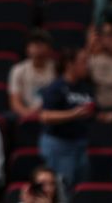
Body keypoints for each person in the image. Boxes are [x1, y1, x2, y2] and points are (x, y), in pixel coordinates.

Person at [39, 48, 94, 194]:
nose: (86, 65)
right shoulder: (56, 87)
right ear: (70, 64)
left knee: (80, 190)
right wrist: (72, 114)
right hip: (60, 145)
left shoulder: (85, 87)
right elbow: (45, 116)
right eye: (83, 62)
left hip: (80, 144)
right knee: (61, 190)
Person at [8, 29, 56, 120]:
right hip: (25, 114)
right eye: (34, 43)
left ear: (50, 49)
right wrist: (27, 114)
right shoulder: (18, 69)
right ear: (27, 49)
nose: (38, 47)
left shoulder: (57, 69)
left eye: (42, 43)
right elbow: (15, 102)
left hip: (51, 115)